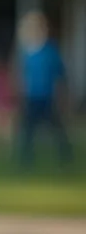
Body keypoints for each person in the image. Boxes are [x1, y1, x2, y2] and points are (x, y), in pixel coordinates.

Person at [15, 11, 73, 169]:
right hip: (31, 98)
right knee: (28, 132)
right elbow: (22, 77)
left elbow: (60, 77)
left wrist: (63, 98)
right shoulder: (27, 52)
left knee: (58, 130)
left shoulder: (50, 51)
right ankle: (26, 161)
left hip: (47, 98)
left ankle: (66, 158)